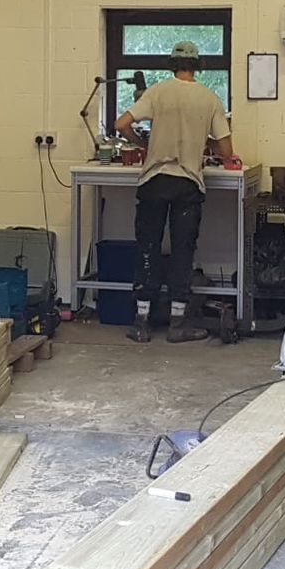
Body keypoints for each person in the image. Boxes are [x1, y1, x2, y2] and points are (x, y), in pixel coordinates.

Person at [114, 41, 235, 343]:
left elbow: (121, 124)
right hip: (187, 183)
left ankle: (141, 322)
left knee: (148, 248)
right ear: (198, 67)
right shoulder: (210, 99)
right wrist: (203, 145)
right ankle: (178, 324)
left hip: (154, 180)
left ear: (172, 65)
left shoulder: (157, 92)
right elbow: (227, 149)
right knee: (183, 251)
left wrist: (144, 144)